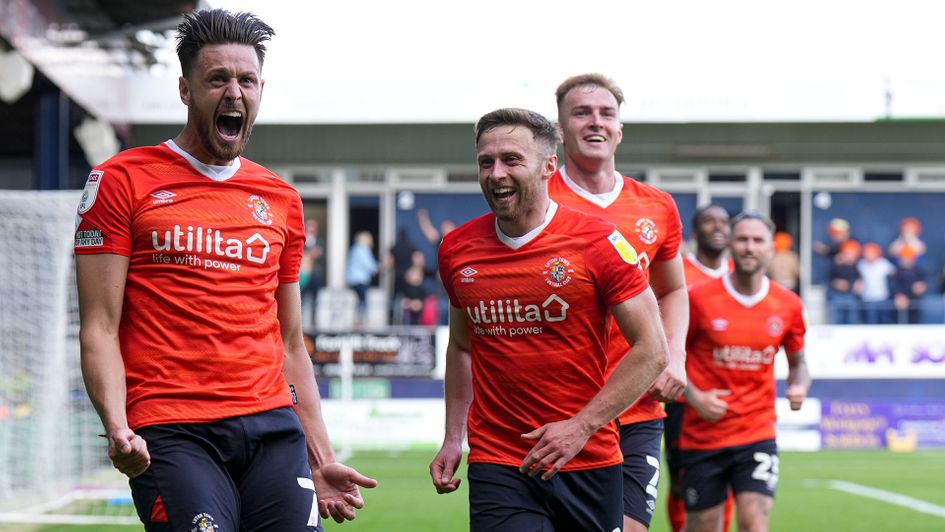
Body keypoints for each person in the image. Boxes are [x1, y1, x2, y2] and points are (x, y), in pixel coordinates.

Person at [73, 9, 375, 531]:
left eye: (247, 80)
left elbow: (290, 342)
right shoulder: (122, 179)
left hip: (273, 427)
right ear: (186, 90)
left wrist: (321, 455)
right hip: (172, 429)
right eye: (217, 79)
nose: (234, 92)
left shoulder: (281, 199)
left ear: (261, 89)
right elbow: (99, 325)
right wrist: (118, 426)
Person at [429, 108, 668, 531]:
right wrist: (453, 437)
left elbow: (652, 350)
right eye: (487, 161)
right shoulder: (457, 250)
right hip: (500, 458)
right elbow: (462, 347)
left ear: (548, 167)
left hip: (587, 458)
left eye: (512, 160)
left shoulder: (599, 243)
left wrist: (581, 427)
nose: (496, 173)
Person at [547, 73, 687, 531]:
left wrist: (675, 357)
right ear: (560, 128)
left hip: (636, 406)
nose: (596, 122)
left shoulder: (657, 206)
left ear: (620, 129)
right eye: (582, 112)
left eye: (607, 113)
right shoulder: (539, 202)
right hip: (558, 408)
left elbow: (672, 290)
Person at [680, 212, 810, 532]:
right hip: (703, 436)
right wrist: (695, 398)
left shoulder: (788, 305)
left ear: (771, 248)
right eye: (742, 239)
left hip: (757, 433)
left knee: (755, 523)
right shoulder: (698, 299)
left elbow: (800, 364)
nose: (749, 247)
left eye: (757, 240)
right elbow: (669, 359)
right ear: (730, 245)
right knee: (703, 527)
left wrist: (799, 387)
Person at [666, 204, 735, 532]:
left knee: (730, 479)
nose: (718, 227)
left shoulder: (741, 276)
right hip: (683, 399)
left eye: (724, 221)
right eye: (709, 221)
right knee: (682, 484)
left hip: (729, 398)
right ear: (695, 233)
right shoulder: (678, 272)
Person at [345, 230, 380, 325]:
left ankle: (358, 320)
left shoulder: (354, 249)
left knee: (360, 299)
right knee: (363, 300)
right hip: (360, 280)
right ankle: (361, 321)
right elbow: (370, 266)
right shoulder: (362, 250)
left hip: (353, 279)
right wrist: (380, 266)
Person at [858, 242, 895, 324]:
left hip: (882, 296)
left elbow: (894, 273)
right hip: (867, 297)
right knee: (870, 321)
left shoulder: (883, 263)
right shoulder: (861, 264)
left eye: (871, 253)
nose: (869, 255)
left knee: (884, 320)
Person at [827, 240, 863, 324]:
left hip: (850, 295)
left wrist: (857, 284)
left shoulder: (856, 266)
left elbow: (858, 279)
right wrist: (836, 283)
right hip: (837, 295)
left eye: (852, 254)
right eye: (848, 253)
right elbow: (830, 278)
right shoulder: (836, 265)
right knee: (838, 319)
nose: (850, 256)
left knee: (852, 319)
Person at [890, 245, 927, 324]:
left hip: (916, 302)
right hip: (899, 303)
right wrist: (899, 295)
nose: (906, 260)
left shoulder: (919, 270)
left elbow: (924, 284)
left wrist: (921, 287)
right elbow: (893, 286)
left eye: (909, 257)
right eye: (904, 257)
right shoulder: (896, 270)